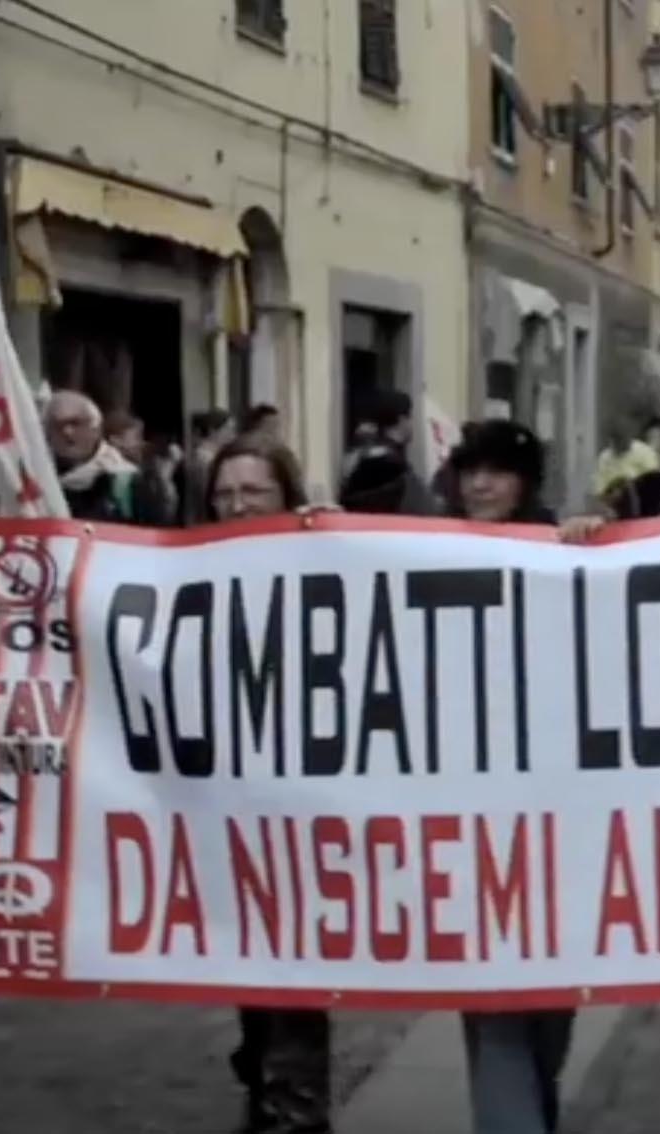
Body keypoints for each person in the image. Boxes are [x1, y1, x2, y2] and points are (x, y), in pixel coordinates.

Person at [442, 420, 579, 1134]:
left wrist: (599, 548)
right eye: (471, 471)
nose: (481, 485)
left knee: (547, 1031)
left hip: (561, 829)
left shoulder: (565, 550)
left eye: (497, 472)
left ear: (525, 482)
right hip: (469, 829)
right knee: (495, 1018)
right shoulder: (423, 551)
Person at [202, 433, 336, 1134]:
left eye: (254, 492)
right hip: (227, 819)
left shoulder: (327, 572)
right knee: (255, 990)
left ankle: (293, 1116)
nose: (237, 506)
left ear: (288, 497)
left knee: (291, 984)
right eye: (224, 494)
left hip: (306, 822)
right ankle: (267, 1097)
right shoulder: (185, 579)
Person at [42, 390, 166, 524]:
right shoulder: (38, 483)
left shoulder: (129, 483)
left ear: (96, 429)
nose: (67, 432)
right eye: (57, 426)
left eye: (75, 423)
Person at [338, 390, 433, 515]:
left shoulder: (360, 457)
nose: (412, 424)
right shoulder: (392, 465)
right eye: (410, 417)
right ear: (402, 420)